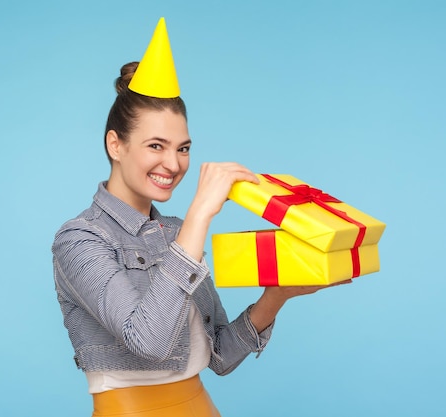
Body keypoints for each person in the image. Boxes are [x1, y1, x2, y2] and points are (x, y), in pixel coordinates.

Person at [52, 18, 350, 417]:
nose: (173, 164)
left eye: (184, 148)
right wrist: (199, 215)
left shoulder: (175, 233)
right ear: (115, 145)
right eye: (156, 145)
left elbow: (220, 358)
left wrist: (277, 295)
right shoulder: (79, 240)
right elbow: (150, 342)